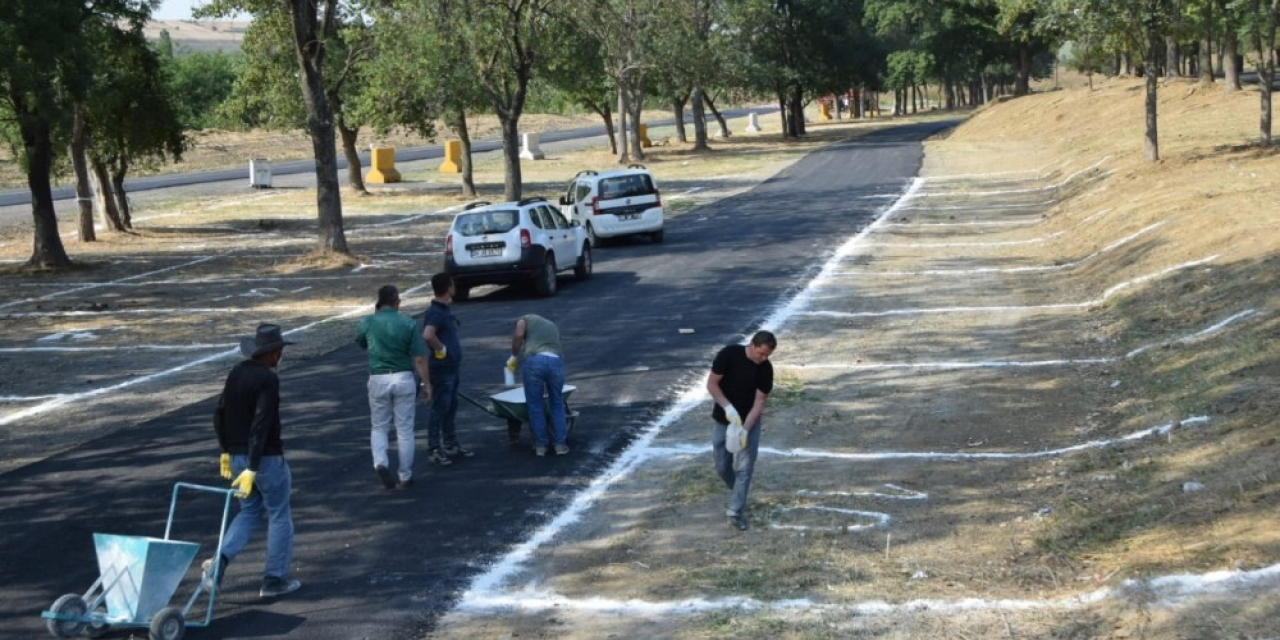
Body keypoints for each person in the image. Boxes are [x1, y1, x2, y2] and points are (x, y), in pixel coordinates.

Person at [207, 323, 302, 598]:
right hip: (265, 459)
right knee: (279, 514)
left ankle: (219, 563)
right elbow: (262, 423)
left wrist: (226, 451)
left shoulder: (236, 373)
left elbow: (219, 414)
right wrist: (254, 465)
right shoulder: (268, 379)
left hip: (235, 456)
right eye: (280, 350)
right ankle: (273, 579)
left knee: (248, 511)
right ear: (271, 353)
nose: (281, 355)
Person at [355, 285, 432, 490]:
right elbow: (419, 358)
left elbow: (361, 343)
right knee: (405, 430)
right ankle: (405, 475)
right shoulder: (408, 323)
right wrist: (426, 383)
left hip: (378, 377)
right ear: (397, 301)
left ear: (379, 303)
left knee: (379, 426)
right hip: (403, 377)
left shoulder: (368, 321)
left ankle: (380, 462)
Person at [706, 330, 777, 531]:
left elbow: (759, 402)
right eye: (761, 354)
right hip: (723, 420)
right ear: (752, 345)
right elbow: (712, 384)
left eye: (767, 356)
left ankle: (735, 511)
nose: (763, 359)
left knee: (745, 467)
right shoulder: (729, 354)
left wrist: (745, 429)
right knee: (722, 466)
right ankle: (738, 491)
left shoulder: (766, 369)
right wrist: (727, 407)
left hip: (749, 421)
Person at [421, 273, 472, 466]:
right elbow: (427, 335)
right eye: (452, 284)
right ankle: (434, 448)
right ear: (448, 287)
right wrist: (441, 349)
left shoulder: (443, 310)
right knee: (441, 408)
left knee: (450, 407)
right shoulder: (436, 312)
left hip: (451, 367)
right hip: (442, 369)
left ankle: (450, 444)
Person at [509, 313, 569, 456]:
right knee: (557, 403)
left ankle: (541, 446)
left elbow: (518, 335)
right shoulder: (551, 324)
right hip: (556, 361)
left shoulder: (523, 319)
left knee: (535, 404)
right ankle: (560, 445)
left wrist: (513, 355)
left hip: (535, 361)